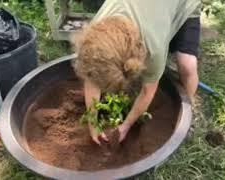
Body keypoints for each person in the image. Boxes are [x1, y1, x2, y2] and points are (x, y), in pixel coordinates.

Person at [73, 0, 202, 145]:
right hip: (155, 13)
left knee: (187, 65)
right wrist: (93, 123)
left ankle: (188, 111)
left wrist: (125, 126)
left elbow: (148, 91)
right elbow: (92, 76)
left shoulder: (154, 50)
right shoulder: (95, 37)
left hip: (182, 5)